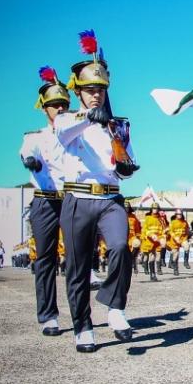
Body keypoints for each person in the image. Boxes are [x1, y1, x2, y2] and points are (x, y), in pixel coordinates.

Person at [55, 30, 139, 352]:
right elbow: (65, 132)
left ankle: (116, 307)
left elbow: (124, 162)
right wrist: (91, 117)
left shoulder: (118, 126)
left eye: (100, 90)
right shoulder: (66, 121)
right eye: (90, 90)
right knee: (78, 268)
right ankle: (82, 325)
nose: (96, 95)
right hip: (78, 198)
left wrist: (126, 167)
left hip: (109, 199)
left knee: (120, 246)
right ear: (78, 92)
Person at [19, 65, 69, 334]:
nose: (60, 109)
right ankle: (49, 315)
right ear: (44, 108)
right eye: (54, 105)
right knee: (46, 258)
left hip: (71, 198)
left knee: (78, 255)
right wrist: (31, 161)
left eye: (63, 104)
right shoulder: (35, 136)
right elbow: (28, 151)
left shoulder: (76, 134)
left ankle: (81, 313)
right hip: (45, 200)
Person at [140, 203, 164, 281]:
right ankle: (151, 273)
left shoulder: (161, 219)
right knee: (149, 255)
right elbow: (145, 229)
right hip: (148, 240)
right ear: (151, 209)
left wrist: (163, 238)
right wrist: (151, 234)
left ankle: (153, 274)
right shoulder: (148, 218)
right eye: (153, 208)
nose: (155, 210)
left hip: (156, 241)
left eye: (156, 208)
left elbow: (163, 230)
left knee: (153, 256)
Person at [166, 208, 190, 276]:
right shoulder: (173, 222)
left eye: (180, 214)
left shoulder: (185, 222)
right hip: (174, 240)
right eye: (178, 214)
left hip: (182, 239)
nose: (179, 215)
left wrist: (188, 234)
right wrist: (175, 237)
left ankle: (186, 262)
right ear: (176, 215)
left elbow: (187, 230)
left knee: (187, 246)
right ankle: (175, 269)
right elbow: (171, 231)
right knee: (175, 255)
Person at [126, 202, 141, 275]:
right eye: (125, 207)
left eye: (127, 207)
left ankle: (133, 262)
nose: (126, 209)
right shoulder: (119, 216)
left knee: (137, 244)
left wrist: (138, 237)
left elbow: (137, 229)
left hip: (132, 237)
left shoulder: (133, 217)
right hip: (123, 237)